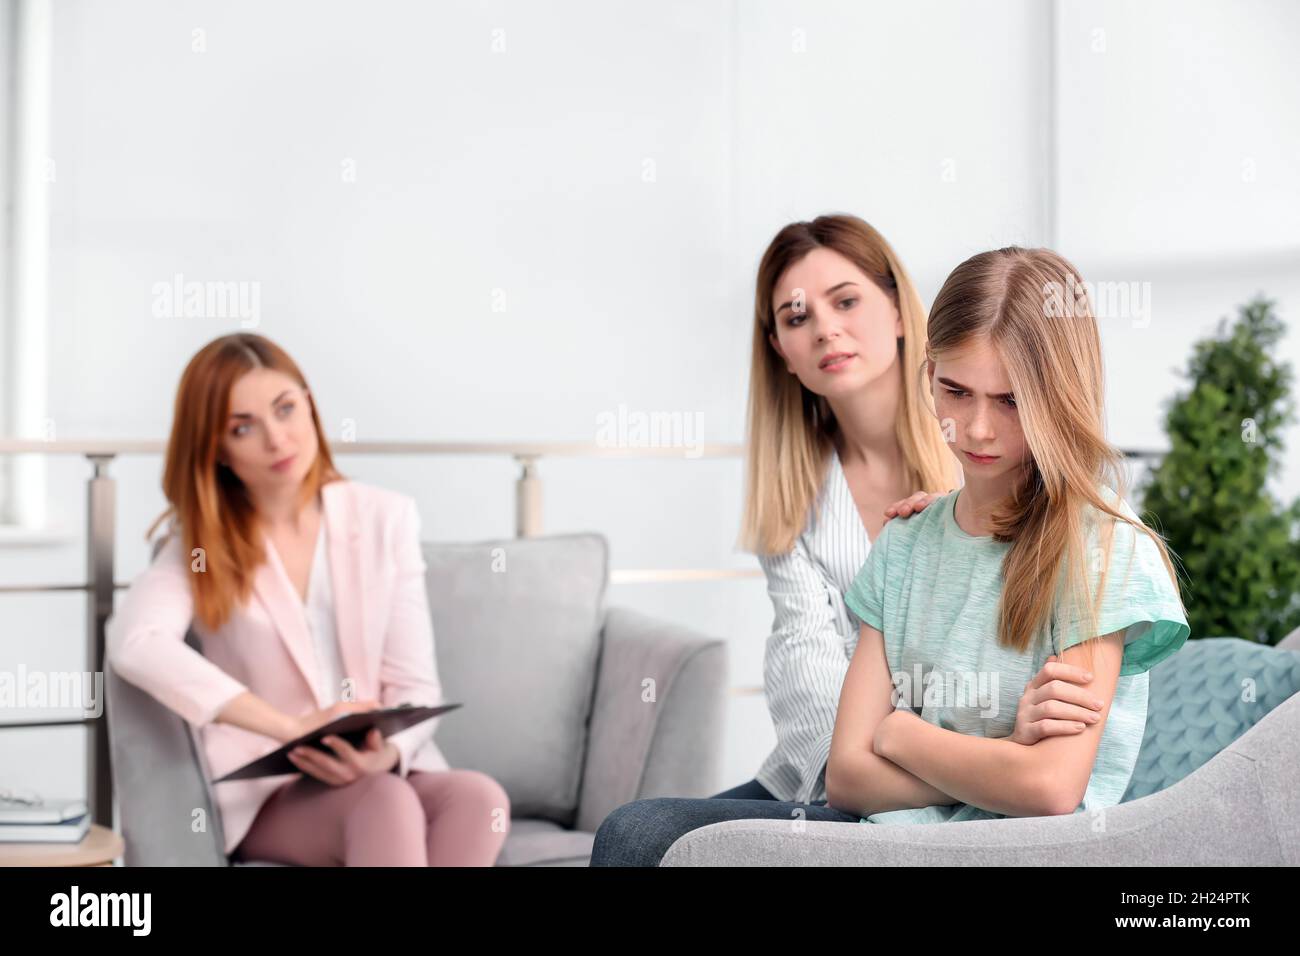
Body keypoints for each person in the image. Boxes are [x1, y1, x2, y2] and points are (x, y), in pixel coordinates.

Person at [589, 217, 1097, 866]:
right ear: (779, 348)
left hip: (931, 792)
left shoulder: (988, 464)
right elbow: (810, 693)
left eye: (846, 300)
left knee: (637, 838)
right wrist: (909, 755)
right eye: (795, 317)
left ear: (897, 309)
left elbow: (1015, 680)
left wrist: (904, 743)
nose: (825, 327)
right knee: (636, 836)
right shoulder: (793, 498)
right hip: (822, 783)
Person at [108, 332, 510, 866]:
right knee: (384, 803)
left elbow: (414, 684)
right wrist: (290, 729)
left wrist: (385, 754)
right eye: (243, 427)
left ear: (309, 405)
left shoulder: (385, 518)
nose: (277, 439)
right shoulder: (200, 545)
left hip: (376, 768)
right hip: (272, 791)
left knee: (479, 800)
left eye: (285, 409)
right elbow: (137, 643)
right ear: (216, 449)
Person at [827, 246, 1189, 825]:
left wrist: (899, 734)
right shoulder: (905, 544)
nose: (976, 427)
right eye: (955, 391)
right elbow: (845, 776)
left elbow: (1048, 788)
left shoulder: (1100, 550)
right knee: (646, 829)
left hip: (1006, 854)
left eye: (1011, 401)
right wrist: (1002, 761)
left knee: (646, 832)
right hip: (879, 842)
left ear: (1060, 397)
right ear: (929, 376)